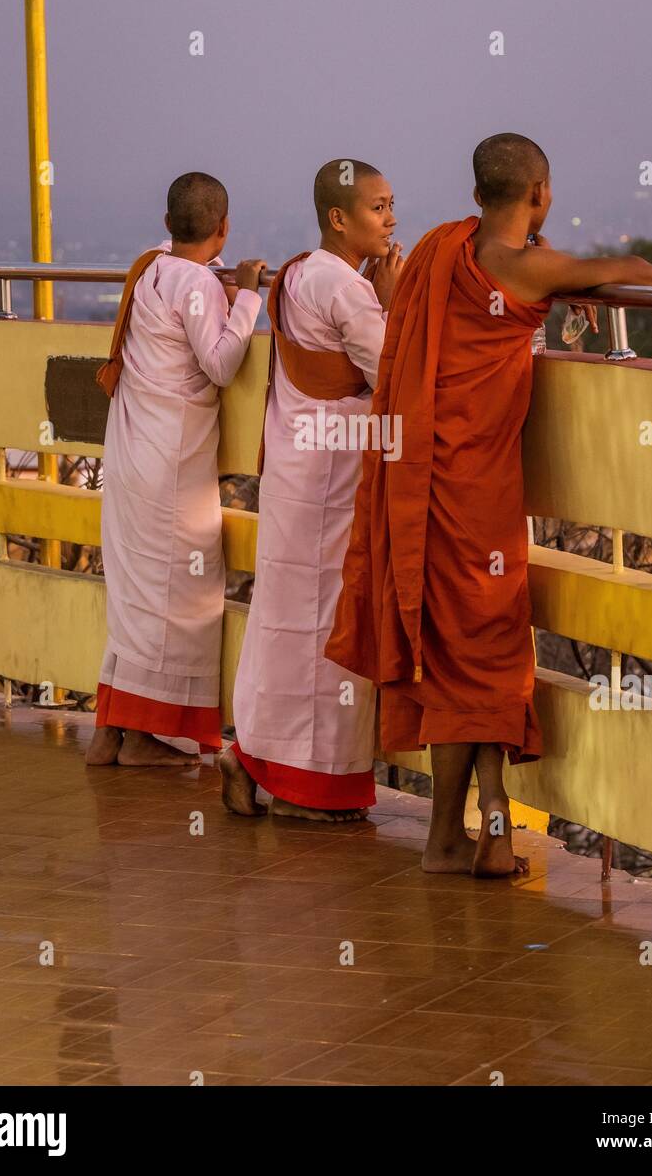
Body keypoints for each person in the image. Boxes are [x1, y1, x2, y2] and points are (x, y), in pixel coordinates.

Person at [326, 133, 652, 872]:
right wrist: (554, 259)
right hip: (478, 487)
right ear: (540, 196)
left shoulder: (444, 250)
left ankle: (488, 826)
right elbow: (645, 271)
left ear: (476, 196)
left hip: (424, 479)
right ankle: (455, 836)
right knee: (484, 648)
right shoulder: (528, 264)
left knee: (463, 652)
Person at [220, 159, 403, 820]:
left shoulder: (298, 273)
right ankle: (309, 784)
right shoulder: (348, 290)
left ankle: (248, 756)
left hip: (297, 471)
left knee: (280, 621)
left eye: (390, 206)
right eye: (378, 208)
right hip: (332, 481)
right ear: (338, 217)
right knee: (330, 626)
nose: (391, 219)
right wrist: (393, 299)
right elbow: (395, 378)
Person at [86, 171, 266, 767]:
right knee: (181, 593)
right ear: (223, 228)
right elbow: (219, 365)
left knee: (136, 594)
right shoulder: (195, 282)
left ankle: (111, 729)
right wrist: (247, 298)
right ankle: (141, 736)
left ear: (167, 225)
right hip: (171, 464)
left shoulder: (152, 269)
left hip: (134, 450)